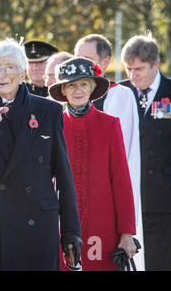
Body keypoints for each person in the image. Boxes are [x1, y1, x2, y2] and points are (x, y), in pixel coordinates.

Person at [0, 38, 82, 271]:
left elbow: (63, 175)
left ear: (22, 72)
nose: (2, 74)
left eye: (10, 67)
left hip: (37, 224)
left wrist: (71, 231)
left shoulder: (49, 111)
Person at [49, 57, 137, 271]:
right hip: (61, 227)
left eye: (83, 84)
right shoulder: (53, 126)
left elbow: (122, 182)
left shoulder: (110, 125)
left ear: (92, 88)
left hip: (104, 228)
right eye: (71, 85)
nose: (77, 90)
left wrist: (127, 234)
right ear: (63, 91)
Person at [74, 34, 143, 269]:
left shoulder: (118, 95)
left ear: (104, 62)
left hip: (105, 207)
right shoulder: (60, 115)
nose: (79, 65)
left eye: (86, 59)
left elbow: (121, 171)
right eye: (77, 58)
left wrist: (126, 230)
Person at [120, 35, 171, 271]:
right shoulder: (119, 94)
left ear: (155, 65)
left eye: (139, 69)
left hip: (163, 200)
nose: (133, 76)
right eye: (128, 69)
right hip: (127, 198)